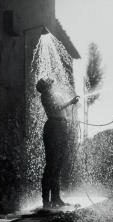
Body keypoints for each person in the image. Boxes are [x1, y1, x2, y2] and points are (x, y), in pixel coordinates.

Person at [36, 78, 79, 208]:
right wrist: (70, 102)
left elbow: (60, 108)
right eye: (50, 84)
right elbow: (56, 108)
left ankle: (56, 198)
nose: (52, 85)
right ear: (45, 87)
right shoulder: (45, 96)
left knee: (58, 165)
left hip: (60, 127)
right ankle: (46, 201)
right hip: (53, 128)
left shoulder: (52, 95)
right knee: (51, 165)